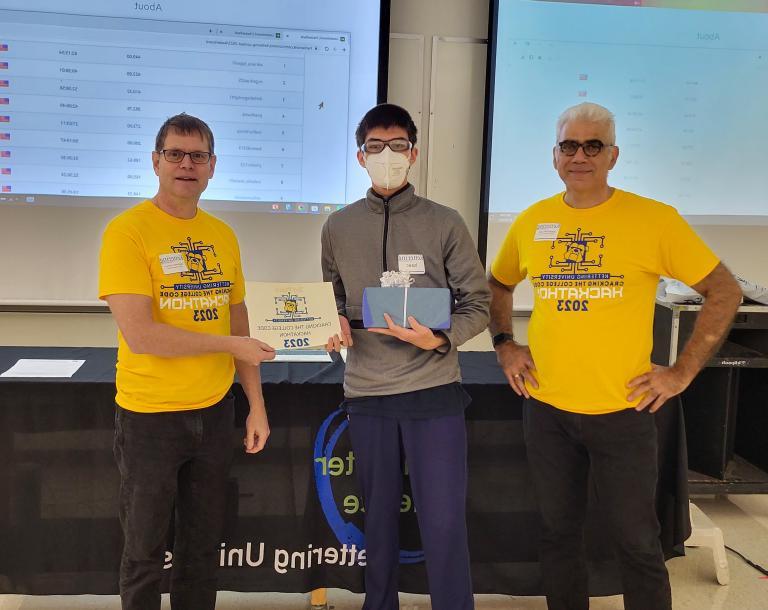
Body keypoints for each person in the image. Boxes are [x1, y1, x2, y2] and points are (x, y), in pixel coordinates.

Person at [487, 102, 742, 610]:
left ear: (613, 155)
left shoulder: (653, 219)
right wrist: (505, 343)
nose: (579, 156)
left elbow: (725, 291)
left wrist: (683, 371)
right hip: (547, 409)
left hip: (623, 413)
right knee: (558, 535)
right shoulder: (532, 221)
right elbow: (498, 284)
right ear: (554, 155)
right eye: (569, 145)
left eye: (593, 145)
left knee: (637, 543)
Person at [98, 113, 275, 610]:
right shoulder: (127, 232)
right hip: (149, 417)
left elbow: (238, 324)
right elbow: (142, 334)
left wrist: (255, 404)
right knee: (144, 552)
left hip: (216, 413)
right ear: (156, 162)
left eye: (198, 156)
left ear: (213, 166)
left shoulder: (223, 234)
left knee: (201, 551)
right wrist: (230, 348)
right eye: (175, 154)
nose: (186, 164)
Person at [321, 103, 490, 610]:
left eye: (397, 146)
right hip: (368, 392)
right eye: (376, 147)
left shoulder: (445, 222)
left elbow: (477, 305)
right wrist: (331, 329)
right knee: (376, 520)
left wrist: (440, 339)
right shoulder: (338, 226)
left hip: (433, 392)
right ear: (360, 156)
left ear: (413, 153)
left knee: (442, 521)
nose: (387, 156)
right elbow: (332, 300)